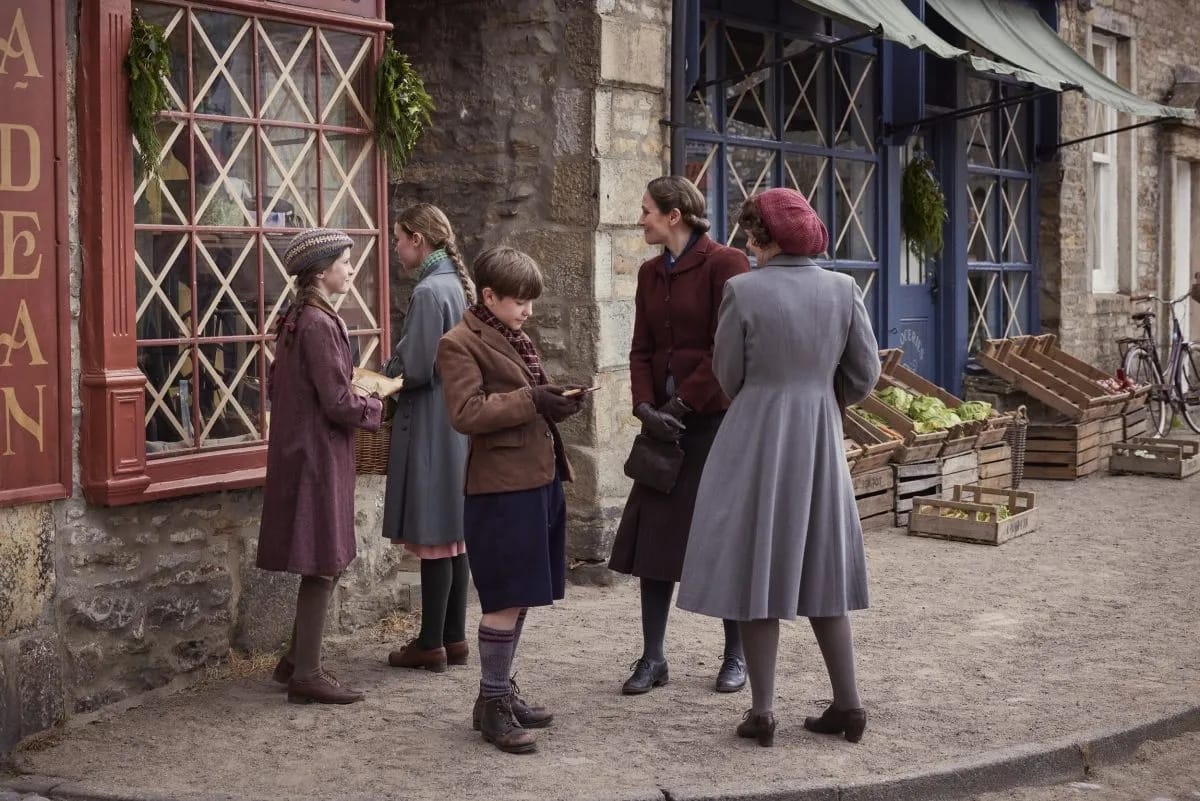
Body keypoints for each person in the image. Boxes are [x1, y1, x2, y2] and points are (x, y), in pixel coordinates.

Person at [676, 188, 881, 747]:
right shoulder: (843, 288)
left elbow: (728, 373)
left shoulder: (743, 290)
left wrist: (770, 394)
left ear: (762, 237)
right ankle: (849, 705)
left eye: (750, 233)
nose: (746, 243)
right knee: (824, 567)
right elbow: (865, 374)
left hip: (756, 435)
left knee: (756, 563)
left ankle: (763, 712)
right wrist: (821, 397)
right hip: (818, 436)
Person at [437, 246, 587, 754]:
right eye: (520, 301)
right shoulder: (458, 343)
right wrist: (532, 400)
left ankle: (494, 694)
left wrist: (554, 401)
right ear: (489, 296)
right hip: (500, 488)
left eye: (530, 301)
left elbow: (522, 399)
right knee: (503, 599)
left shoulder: (511, 334)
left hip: (536, 479)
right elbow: (466, 412)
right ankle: (494, 707)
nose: (529, 311)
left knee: (521, 595)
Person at [608, 176, 751, 695]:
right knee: (655, 540)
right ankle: (653, 659)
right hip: (661, 428)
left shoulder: (726, 263)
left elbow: (725, 347)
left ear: (674, 215)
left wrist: (682, 403)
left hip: (713, 423)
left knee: (724, 537)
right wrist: (644, 407)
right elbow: (640, 348)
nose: (640, 219)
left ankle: (736, 656)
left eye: (646, 210)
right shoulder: (650, 273)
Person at [256, 228, 385, 705]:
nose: (351, 270)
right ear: (322, 271)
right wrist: (375, 405)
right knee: (323, 561)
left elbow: (282, 388)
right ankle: (306, 674)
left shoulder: (298, 317)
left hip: (305, 449)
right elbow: (336, 400)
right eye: (345, 262)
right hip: (317, 454)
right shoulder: (317, 322)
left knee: (324, 557)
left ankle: (295, 661)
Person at [381, 204, 475, 673]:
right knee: (455, 535)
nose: (396, 248)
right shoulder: (458, 284)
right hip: (457, 421)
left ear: (418, 240)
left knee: (436, 535)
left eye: (398, 239)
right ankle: (454, 639)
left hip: (432, 421)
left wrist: (383, 375)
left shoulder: (428, 291)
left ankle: (430, 643)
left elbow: (417, 368)